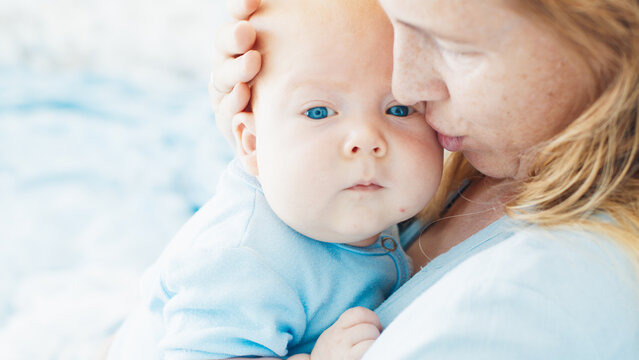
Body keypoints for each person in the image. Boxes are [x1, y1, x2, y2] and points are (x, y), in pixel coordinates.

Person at [211, 0, 639, 358]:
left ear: (613, 41)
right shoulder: (483, 155)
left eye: (455, 48)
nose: (406, 86)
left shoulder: (528, 305)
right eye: (399, 25)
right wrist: (273, 140)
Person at [107, 0, 443, 359]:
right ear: (252, 143)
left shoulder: (337, 201)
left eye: (399, 109)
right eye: (318, 112)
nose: (366, 138)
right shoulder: (241, 262)